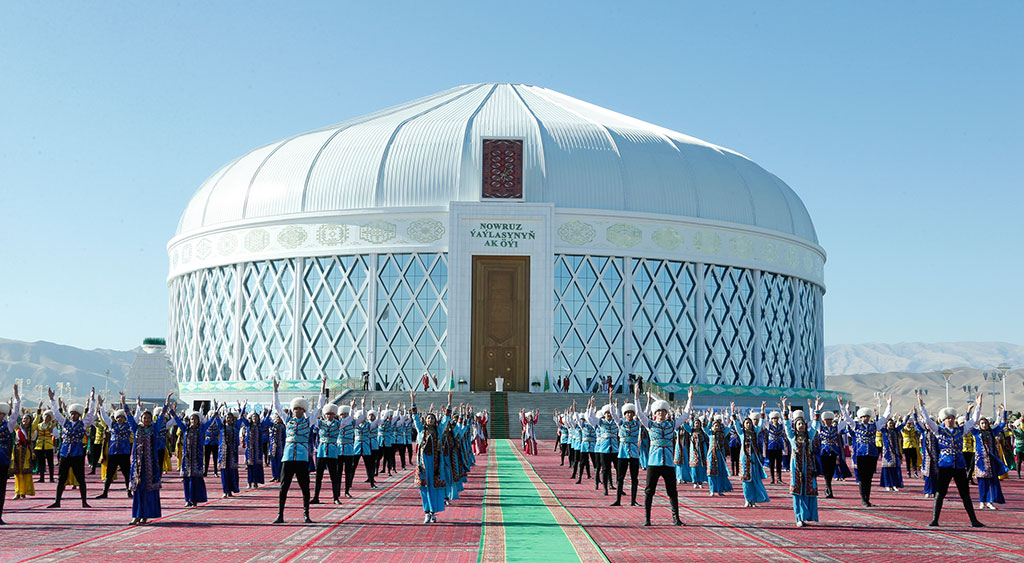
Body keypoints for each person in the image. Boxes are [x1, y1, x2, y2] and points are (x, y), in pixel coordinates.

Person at [916, 391, 984, 527]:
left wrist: (979, 406)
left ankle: (973, 520)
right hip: (944, 466)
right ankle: (935, 519)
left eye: (952, 418)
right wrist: (921, 406)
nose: (951, 420)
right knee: (940, 493)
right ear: (943, 420)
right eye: (948, 418)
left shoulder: (961, 430)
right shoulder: (938, 431)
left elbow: (974, 421)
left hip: (959, 466)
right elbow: (928, 422)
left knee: (965, 494)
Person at [271, 378, 326, 524]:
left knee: (305, 487)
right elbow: (277, 407)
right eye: (295, 408)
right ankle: (280, 514)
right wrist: (275, 390)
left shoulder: (309, 421)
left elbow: (320, 406)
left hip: (302, 458)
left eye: (300, 409)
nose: (297, 411)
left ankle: (306, 514)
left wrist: (323, 388)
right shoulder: (287, 420)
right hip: (288, 457)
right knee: (283, 487)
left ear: (304, 410)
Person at [637, 387, 692, 526]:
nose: (661, 414)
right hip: (654, 463)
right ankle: (647, 518)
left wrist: (690, 400)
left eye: (663, 411)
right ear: (655, 413)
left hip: (668, 463)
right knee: (649, 491)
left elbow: (685, 416)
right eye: (658, 412)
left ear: (666, 413)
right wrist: (636, 398)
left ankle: (676, 518)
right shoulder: (650, 424)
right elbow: (639, 414)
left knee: (672, 491)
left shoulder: (671, 425)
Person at [46, 386, 97, 508]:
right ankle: (57, 501)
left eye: (75, 414)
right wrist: (52, 400)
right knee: (61, 478)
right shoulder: (65, 423)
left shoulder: (83, 424)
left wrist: (92, 399)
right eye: (72, 413)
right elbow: (57, 414)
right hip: (64, 453)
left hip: (77, 454)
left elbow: (90, 414)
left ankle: (84, 501)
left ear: (79, 415)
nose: (73, 416)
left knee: (80, 478)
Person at [838, 394, 892, 507]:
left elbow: (885, 418)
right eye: (863, 417)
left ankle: (868, 499)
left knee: (869, 478)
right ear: (860, 418)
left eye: (867, 416)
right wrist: (842, 406)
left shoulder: (874, 426)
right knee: (862, 478)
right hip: (861, 454)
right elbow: (847, 418)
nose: (866, 418)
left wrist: (889, 405)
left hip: (872, 454)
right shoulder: (856, 426)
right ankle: (863, 499)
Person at [410, 390, 449, 523]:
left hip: (436, 464)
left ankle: (433, 512)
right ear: (425, 420)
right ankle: (426, 512)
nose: (430, 419)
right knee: (424, 488)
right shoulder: (421, 430)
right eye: (428, 418)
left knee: (434, 488)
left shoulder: (438, 430)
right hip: (423, 464)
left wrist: (449, 403)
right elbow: (415, 418)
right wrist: (413, 402)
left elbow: (446, 420)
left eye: (432, 418)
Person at [127, 402, 166, 525]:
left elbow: (160, 419)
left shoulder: (154, 429)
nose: (147, 420)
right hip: (137, 466)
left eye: (149, 418)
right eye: (145, 418)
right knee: (137, 490)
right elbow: (129, 418)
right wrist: (123, 403)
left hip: (150, 465)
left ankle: (145, 515)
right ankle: (136, 516)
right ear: (141, 419)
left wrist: (166, 405)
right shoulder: (136, 428)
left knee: (147, 490)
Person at [782, 398, 818, 527]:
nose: (801, 426)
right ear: (795, 427)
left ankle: (807, 515)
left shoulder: (810, 436)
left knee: (808, 490)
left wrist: (815, 409)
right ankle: (799, 517)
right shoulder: (792, 437)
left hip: (808, 467)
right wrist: (785, 407)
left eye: (803, 424)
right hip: (796, 467)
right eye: (799, 424)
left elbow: (815, 425)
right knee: (797, 492)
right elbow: (786, 425)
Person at [730, 401, 770, 508]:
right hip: (745, 458)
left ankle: (754, 499)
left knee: (755, 478)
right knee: (746, 479)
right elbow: (736, 424)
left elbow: (761, 423)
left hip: (754, 458)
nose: (748, 424)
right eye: (746, 423)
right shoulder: (742, 433)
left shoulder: (755, 432)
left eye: (750, 423)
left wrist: (762, 410)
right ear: (744, 424)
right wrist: (733, 412)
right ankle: (747, 499)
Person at [95, 393, 134, 499]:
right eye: (117, 417)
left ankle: (129, 491)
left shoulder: (129, 425)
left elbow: (136, 417)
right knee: (109, 473)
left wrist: (124, 402)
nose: (119, 419)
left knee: (127, 474)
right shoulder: (112, 425)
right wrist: (101, 406)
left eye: (121, 417)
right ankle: (105, 492)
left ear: (124, 418)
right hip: (113, 452)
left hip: (124, 452)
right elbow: (105, 417)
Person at [170, 408, 211, 507]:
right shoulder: (186, 429)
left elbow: (210, 422)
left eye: (195, 419)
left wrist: (216, 412)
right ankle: (187, 499)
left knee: (195, 480)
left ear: (198, 420)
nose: (193, 421)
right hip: (187, 459)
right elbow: (178, 421)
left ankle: (194, 499)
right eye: (192, 419)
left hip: (197, 459)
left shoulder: (201, 429)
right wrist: (171, 411)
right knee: (186, 479)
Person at [972, 404, 1008, 510]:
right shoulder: (976, 433)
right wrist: (968, 413)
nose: (984, 425)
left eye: (985, 423)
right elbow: (969, 424)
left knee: (993, 481)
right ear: (979, 424)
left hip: (991, 461)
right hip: (981, 462)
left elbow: (1002, 424)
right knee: (982, 483)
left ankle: (990, 502)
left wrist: (1003, 413)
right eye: (982, 423)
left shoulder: (992, 432)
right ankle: (982, 501)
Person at [610, 386, 642, 506]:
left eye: (631, 413)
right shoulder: (621, 423)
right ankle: (618, 500)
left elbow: (645, 413)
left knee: (635, 478)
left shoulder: (637, 424)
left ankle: (633, 500)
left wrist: (637, 397)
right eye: (627, 413)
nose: (629, 415)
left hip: (634, 454)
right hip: (622, 453)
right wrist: (611, 399)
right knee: (620, 477)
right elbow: (613, 414)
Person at [0, 384, 22, 524]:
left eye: (1, 414)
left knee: (1, 490)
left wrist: (16, 398)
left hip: (2, 460)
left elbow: (15, 415)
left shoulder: (7, 426)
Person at [240, 409, 266, 490]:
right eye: (253, 416)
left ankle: (255, 482)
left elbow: (266, 419)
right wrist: (242, 407)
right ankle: (249, 482)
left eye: (256, 417)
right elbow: (242, 417)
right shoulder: (248, 425)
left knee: (256, 466)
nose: (255, 418)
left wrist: (266, 412)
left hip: (258, 449)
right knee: (250, 466)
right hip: (250, 450)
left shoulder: (260, 426)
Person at [13, 410, 36, 501]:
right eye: (23, 418)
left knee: (25, 472)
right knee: (17, 472)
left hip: (26, 451)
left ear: (30, 420)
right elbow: (12, 420)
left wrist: (38, 411)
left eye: (26, 418)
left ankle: (25, 491)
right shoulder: (17, 428)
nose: (24, 420)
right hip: (17, 451)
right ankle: (17, 492)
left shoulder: (31, 430)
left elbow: (36, 421)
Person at [34, 408, 57, 483]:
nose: (46, 418)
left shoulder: (52, 426)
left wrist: (52, 432)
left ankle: (51, 477)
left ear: (50, 418)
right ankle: (42, 477)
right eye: (45, 416)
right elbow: (34, 436)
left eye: (48, 417)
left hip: (49, 445)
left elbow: (57, 435)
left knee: (50, 462)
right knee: (41, 462)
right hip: (39, 445)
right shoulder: (38, 425)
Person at [764, 410, 786, 485]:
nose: (775, 420)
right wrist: (763, 409)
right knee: (771, 464)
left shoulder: (781, 426)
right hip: (771, 447)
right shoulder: (769, 426)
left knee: (779, 464)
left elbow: (785, 420)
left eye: (776, 418)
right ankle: (772, 479)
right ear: (771, 419)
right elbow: (764, 421)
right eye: (773, 418)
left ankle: (779, 478)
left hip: (779, 447)